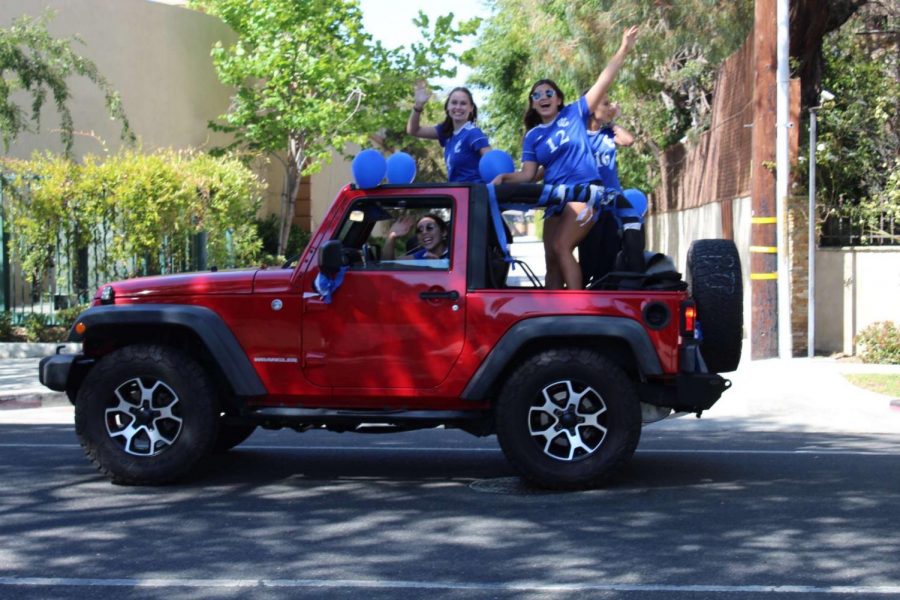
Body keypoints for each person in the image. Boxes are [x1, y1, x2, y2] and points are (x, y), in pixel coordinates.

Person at [491, 25, 639, 290]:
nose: (543, 97)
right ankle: (553, 313)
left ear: (559, 99)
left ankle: (577, 306)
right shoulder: (533, 136)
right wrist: (504, 177)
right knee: (552, 260)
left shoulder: (574, 114)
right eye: (537, 95)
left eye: (549, 93)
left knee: (562, 246)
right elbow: (527, 175)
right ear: (533, 104)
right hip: (555, 199)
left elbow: (604, 79)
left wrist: (624, 48)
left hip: (585, 194)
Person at [578, 95, 646, 284]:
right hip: (590, 203)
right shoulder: (579, 135)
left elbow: (629, 140)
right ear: (591, 107)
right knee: (590, 258)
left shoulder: (608, 133)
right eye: (605, 104)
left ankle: (633, 283)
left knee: (612, 252)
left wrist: (611, 119)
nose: (610, 107)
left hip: (614, 200)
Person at [406, 81, 492, 183]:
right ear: (448, 106)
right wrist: (418, 105)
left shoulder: (474, 133)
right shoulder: (446, 132)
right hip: (456, 195)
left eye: (463, 103)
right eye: (454, 102)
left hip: (474, 194)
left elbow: (492, 162)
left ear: (471, 108)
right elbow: (413, 130)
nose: (458, 107)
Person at [383, 214, 450, 260]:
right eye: (419, 230)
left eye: (429, 227)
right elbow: (389, 264)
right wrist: (392, 235)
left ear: (443, 232)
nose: (424, 232)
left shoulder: (456, 254)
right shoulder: (421, 255)